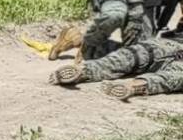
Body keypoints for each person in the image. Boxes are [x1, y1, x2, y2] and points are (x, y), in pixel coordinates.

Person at [49, 36, 183, 100]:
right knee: (170, 78)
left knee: (126, 58)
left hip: (168, 45)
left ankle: (84, 70)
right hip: (171, 46)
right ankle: (136, 85)